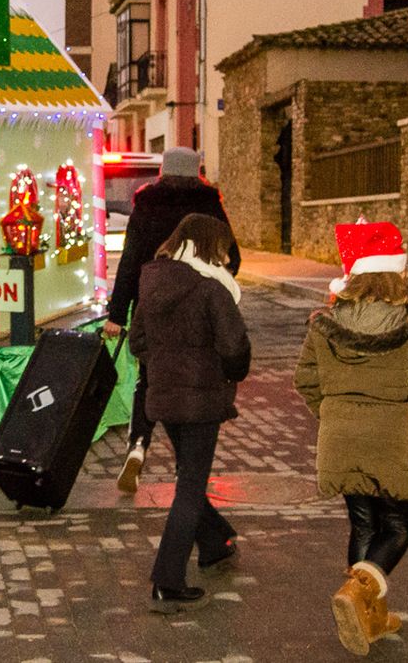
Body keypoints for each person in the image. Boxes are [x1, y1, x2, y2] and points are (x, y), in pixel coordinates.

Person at [293, 219, 408, 657]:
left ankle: (370, 614)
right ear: (397, 275)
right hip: (391, 436)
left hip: (340, 436)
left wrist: (331, 414)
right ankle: (358, 597)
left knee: (363, 522)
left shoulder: (324, 325)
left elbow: (305, 379)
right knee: (399, 524)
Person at [130, 213, 251, 614]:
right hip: (200, 402)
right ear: (208, 245)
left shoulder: (152, 283)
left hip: (164, 399)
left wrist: (165, 366)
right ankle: (167, 580)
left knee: (189, 476)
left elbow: (138, 343)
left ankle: (215, 543)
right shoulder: (211, 290)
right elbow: (235, 348)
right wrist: (226, 373)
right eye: (221, 247)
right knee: (191, 486)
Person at [104, 146, 241, 493]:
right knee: (192, 379)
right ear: (196, 171)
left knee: (149, 380)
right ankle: (187, 468)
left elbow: (130, 261)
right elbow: (234, 257)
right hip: (199, 307)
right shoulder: (209, 204)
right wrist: (214, 280)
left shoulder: (147, 204)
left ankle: (138, 444)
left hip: (152, 302)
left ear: (164, 170)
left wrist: (117, 314)